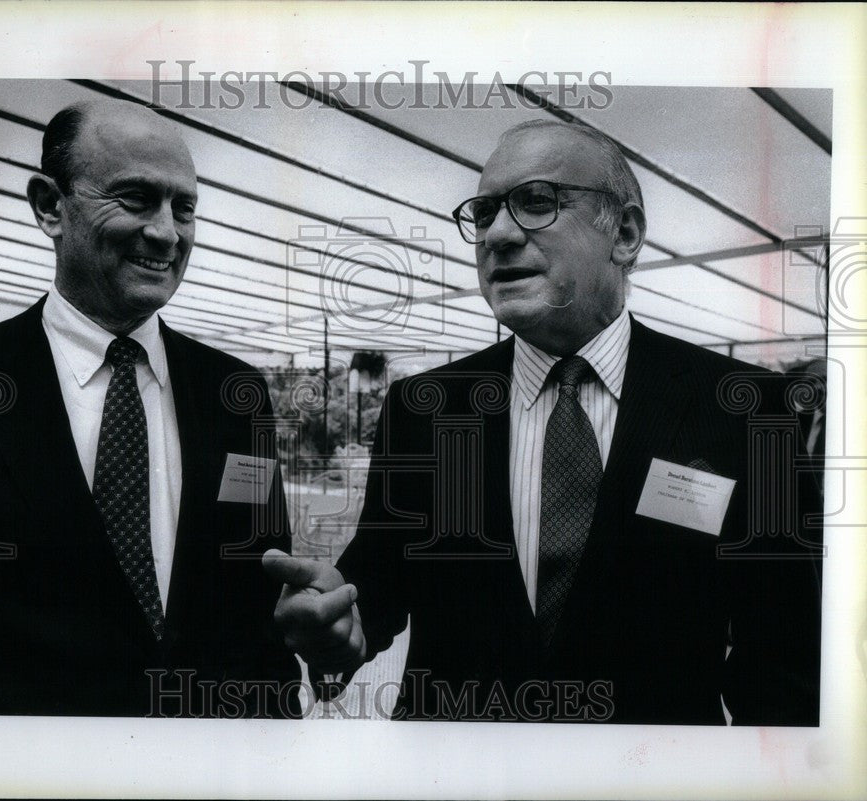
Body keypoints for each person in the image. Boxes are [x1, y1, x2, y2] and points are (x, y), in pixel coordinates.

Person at [264, 119, 822, 724]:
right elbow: (377, 582)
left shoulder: (741, 407)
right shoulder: (424, 409)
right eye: (483, 213)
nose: (497, 234)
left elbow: (783, 657)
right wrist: (340, 625)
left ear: (626, 234)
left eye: (536, 202)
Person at [0, 100, 300, 717]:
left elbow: (261, 598)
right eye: (136, 199)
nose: (168, 232)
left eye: (184, 207)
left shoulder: (236, 393)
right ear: (49, 206)